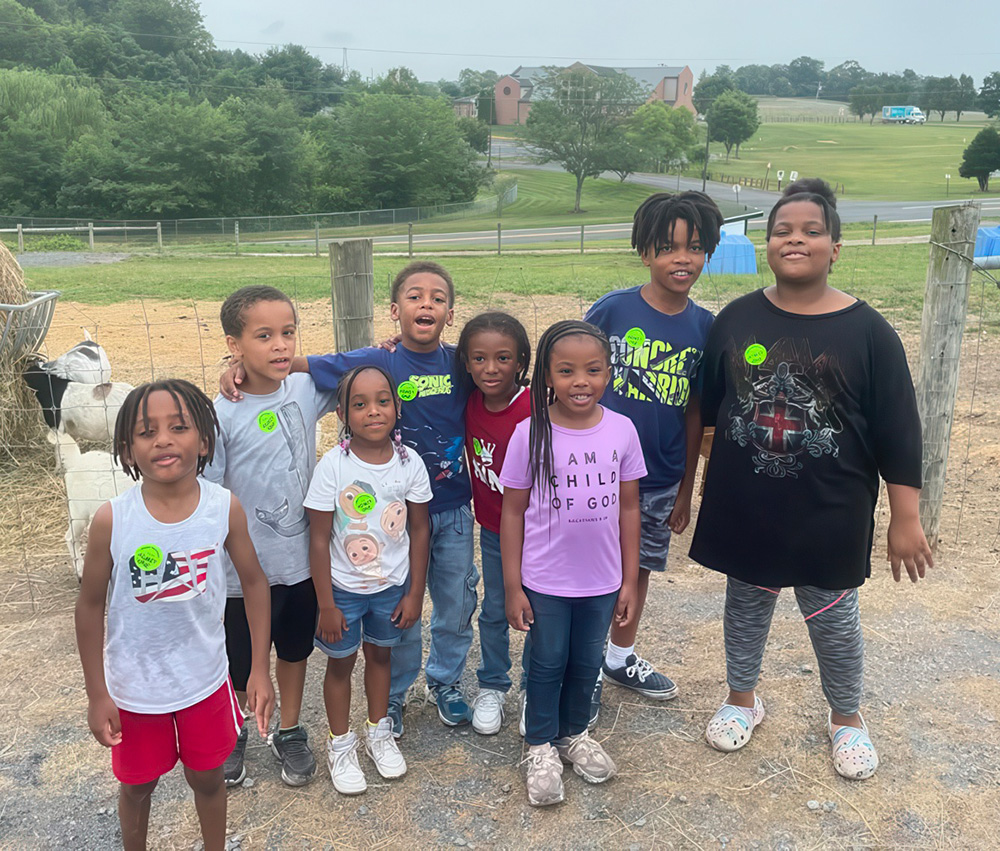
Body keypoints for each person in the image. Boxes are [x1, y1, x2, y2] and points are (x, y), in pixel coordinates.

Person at [689, 178, 933, 780]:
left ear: (836, 247)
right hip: (748, 503)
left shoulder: (870, 332)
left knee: (833, 614)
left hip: (832, 508)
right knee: (745, 602)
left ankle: (846, 717)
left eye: (811, 231)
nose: (794, 239)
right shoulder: (737, 319)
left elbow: (899, 431)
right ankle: (742, 699)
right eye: (782, 231)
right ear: (767, 243)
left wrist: (906, 517)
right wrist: (693, 481)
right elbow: (706, 407)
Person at [222, 261, 477, 733]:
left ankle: (445, 682)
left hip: (451, 505)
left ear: (451, 312)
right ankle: (394, 698)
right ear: (394, 310)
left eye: (438, 298)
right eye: (415, 296)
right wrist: (239, 365)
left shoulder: (462, 362)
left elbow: (502, 373)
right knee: (397, 607)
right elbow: (303, 365)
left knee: (456, 602)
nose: (427, 304)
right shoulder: (377, 360)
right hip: (387, 514)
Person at [75, 380, 275, 851]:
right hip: (134, 691)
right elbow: (88, 605)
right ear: (127, 449)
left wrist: (260, 670)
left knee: (208, 779)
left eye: (179, 427)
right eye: (147, 432)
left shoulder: (223, 507)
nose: (163, 439)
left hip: (204, 682)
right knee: (137, 786)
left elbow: (254, 582)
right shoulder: (112, 519)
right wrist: (96, 694)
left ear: (204, 440)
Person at [584, 191, 724, 716]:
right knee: (588, 571)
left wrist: (686, 487)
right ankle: (581, 666)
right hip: (596, 475)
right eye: (667, 247)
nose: (681, 259)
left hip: (660, 478)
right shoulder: (613, 309)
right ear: (645, 252)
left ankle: (618, 657)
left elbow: (695, 412)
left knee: (634, 571)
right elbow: (564, 377)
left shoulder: (704, 328)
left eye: (693, 248)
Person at [500, 320, 646, 807]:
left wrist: (628, 579)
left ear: (609, 374)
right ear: (546, 376)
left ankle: (573, 734)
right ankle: (539, 744)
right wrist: (512, 586)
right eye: (566, 371)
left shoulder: (622, 430)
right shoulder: (528, 433)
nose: (580, 381)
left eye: (593, 370)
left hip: (602, 580)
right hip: (545, 579)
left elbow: (629, 507)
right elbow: (513, 512)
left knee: (586, 663)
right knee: (547, 660)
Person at [206, 285, 336, 787]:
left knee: (295, 651)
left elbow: (365, 371)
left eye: (288, 333)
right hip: (242, 571)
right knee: (239, 657)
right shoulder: (220, 413)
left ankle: (289, 729)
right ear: (234, 344)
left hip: (301, 560)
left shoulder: (306, 389)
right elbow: (211, 491)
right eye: (264, 336)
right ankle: (236, 726)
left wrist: (300, 360)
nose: (280, 345)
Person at [304, 365, 431, 794]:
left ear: (397, 407)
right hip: (342, 591)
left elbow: (419, 529)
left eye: (382, 401)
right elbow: (319, 539)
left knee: (381, 659)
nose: (372, 412)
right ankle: (340, 744)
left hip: (391, 589)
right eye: (359, 404)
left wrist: (414, 592)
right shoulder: (332, 467)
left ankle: (379, 731)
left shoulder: (409, 463)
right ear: (342, 412)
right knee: (340, 664)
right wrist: (325, 603)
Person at [457, 312, 532, 735]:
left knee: (542, 609)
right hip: (492, 528)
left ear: (521, 361)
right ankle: (492, 684)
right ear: (466, 363)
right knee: (494, 607)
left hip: (539, 531)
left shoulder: (535, 408)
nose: (490, 368)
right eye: (479, 359)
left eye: (503, 358)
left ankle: (537, 687)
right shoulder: (468, 401)